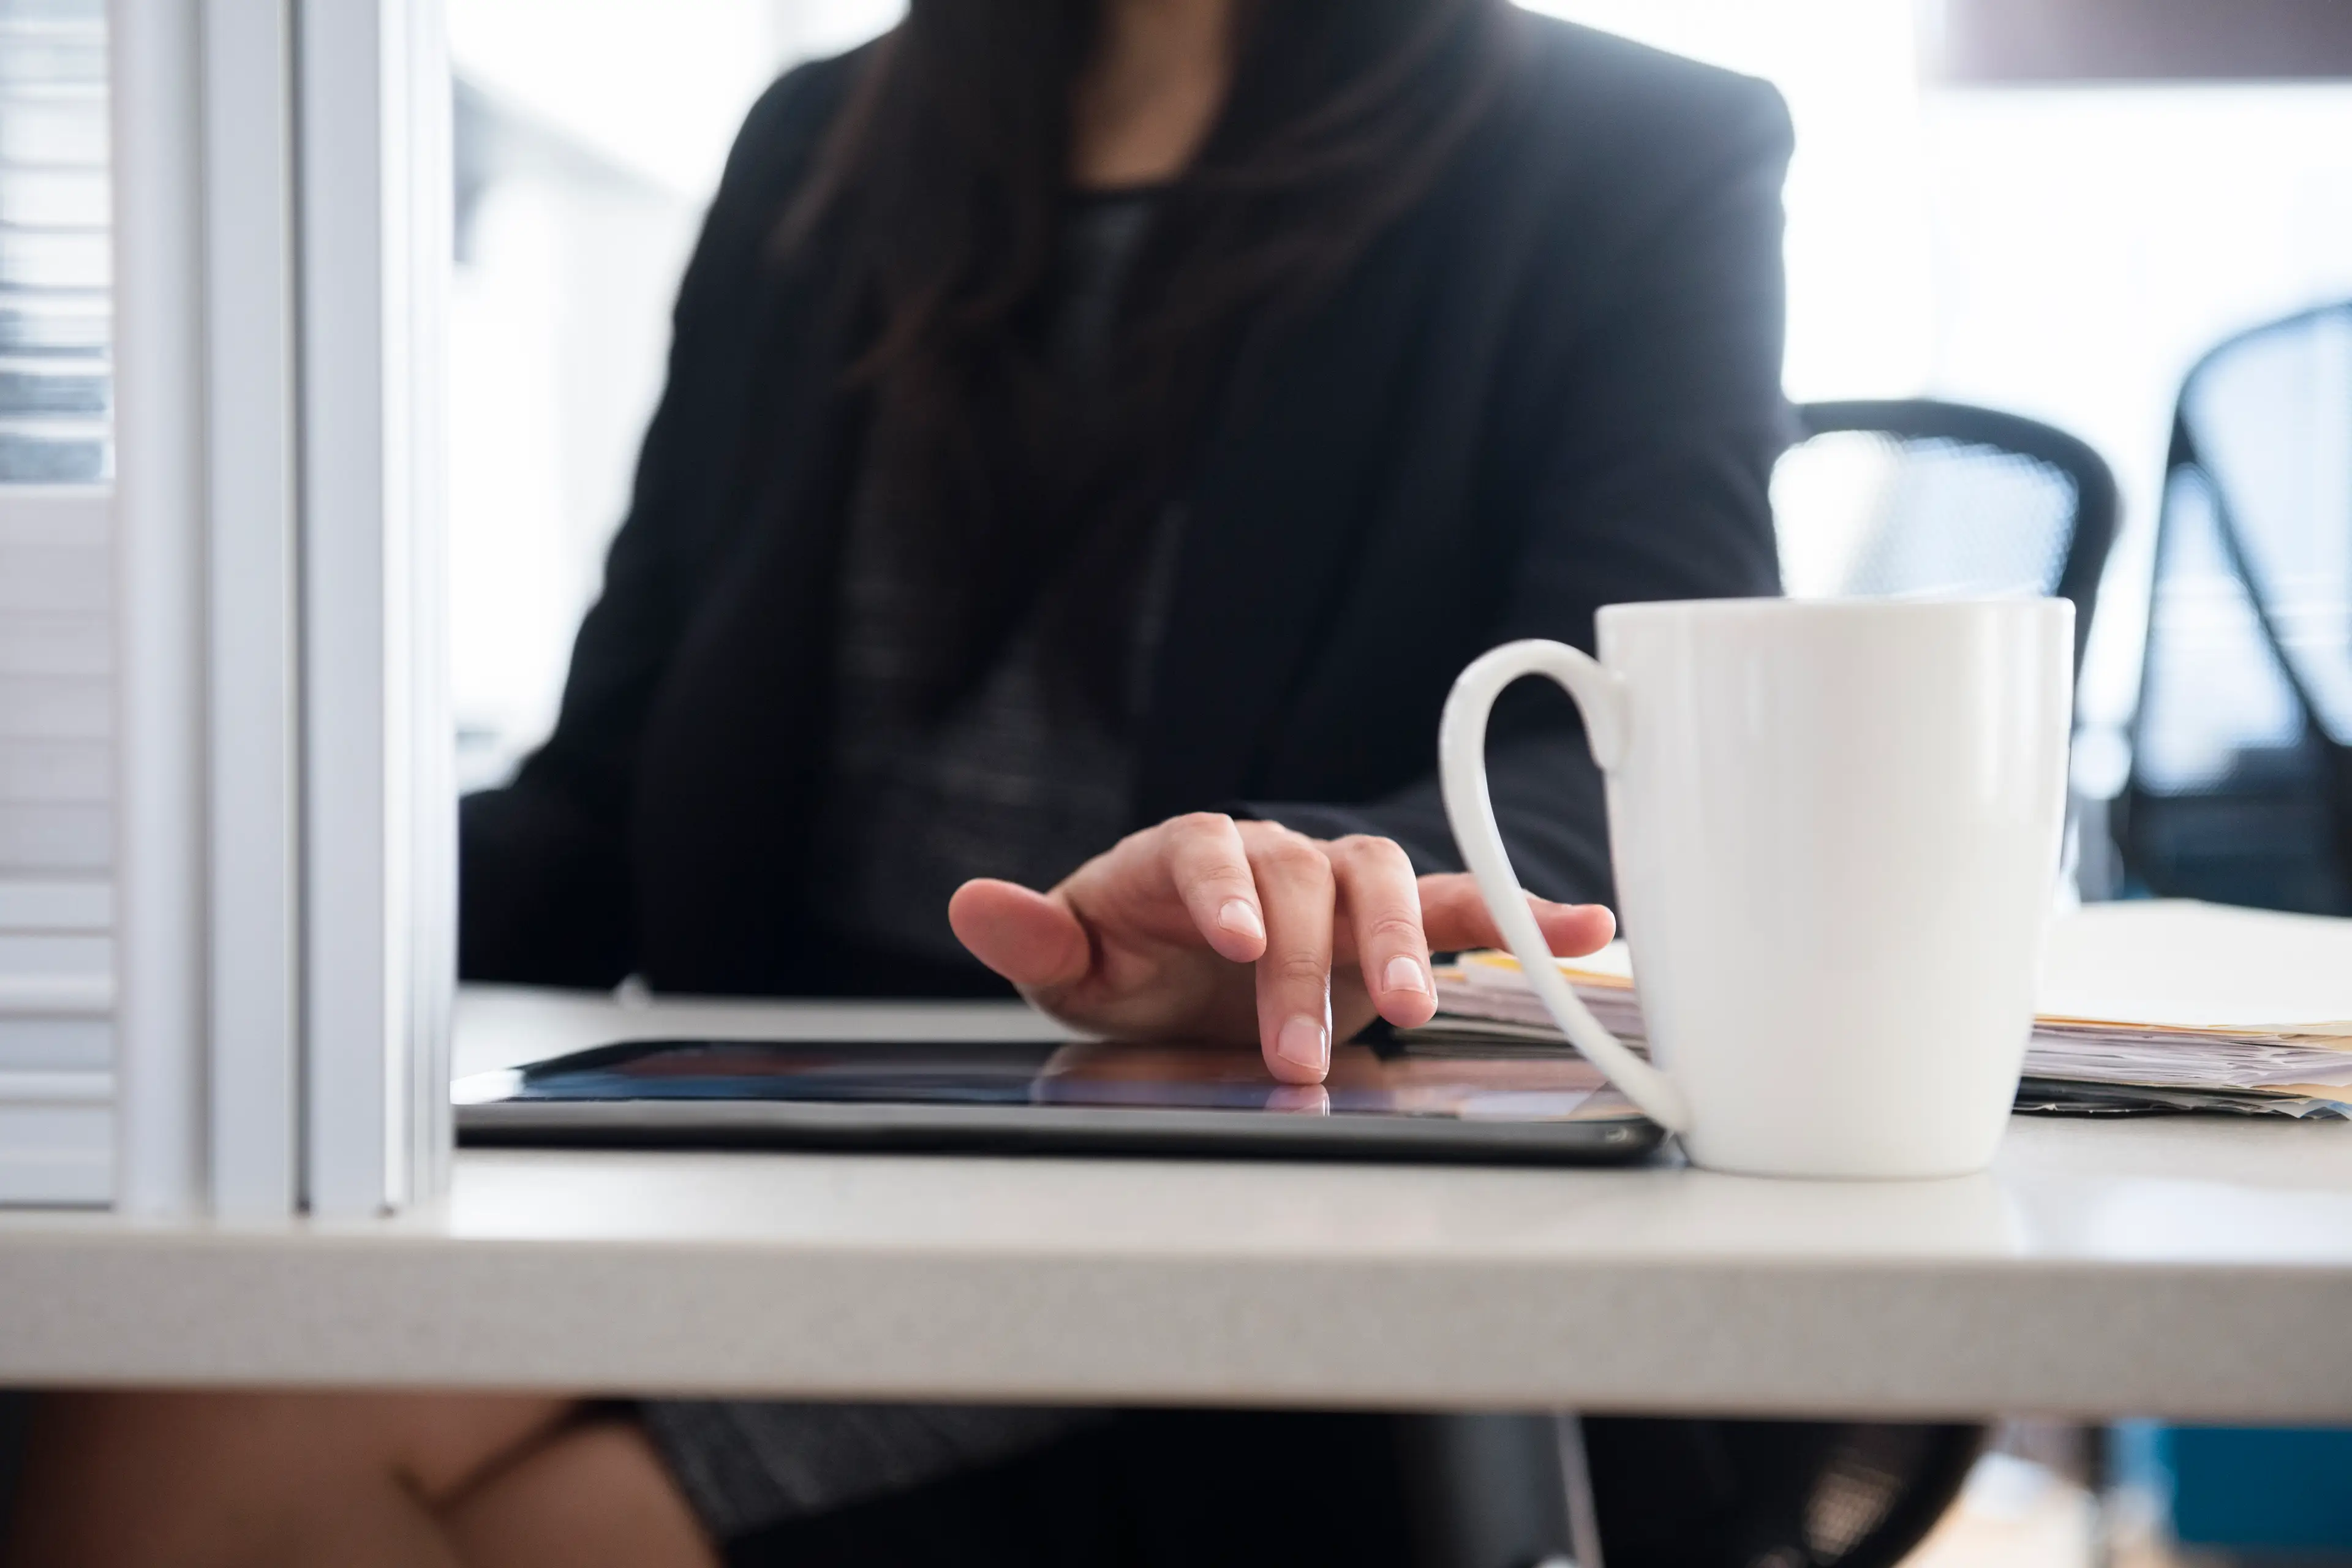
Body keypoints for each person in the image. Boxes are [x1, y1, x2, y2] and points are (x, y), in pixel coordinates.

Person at [5, 1, 1804, 1564]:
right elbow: (604, 807)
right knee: (167, 1390)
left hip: (1226, 1207)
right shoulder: (825, 144)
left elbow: (1619, 767)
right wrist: (168, 868)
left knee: (230, 1467)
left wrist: (1314, 889)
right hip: (776, 1140)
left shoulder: (1637, 152)